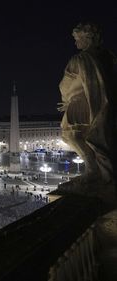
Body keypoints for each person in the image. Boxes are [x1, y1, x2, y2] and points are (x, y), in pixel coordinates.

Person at [58, 22, 117, 189]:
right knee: (86, 136)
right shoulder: (109, 57)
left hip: (81, 102)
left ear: (87, 38)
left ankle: (92, 170)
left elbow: (66, 84)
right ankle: (97, 169)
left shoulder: (81, 59)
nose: (76, 43)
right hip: (99, 102)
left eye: (77, 39)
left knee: (70, 135)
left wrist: (67, 100)